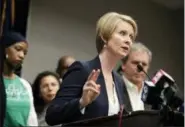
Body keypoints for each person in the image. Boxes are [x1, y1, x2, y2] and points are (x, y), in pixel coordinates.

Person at [46, 12, 138, 125]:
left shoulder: (118, 80)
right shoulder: (81, 69)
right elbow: (52, 115)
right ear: (104, 36)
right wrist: (82, 102)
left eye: (131, 36)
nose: (128, 40)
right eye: (122, 33)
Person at [1, 31, 38, 126]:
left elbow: (31, 119)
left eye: (24, 53)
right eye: (18, 49)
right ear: (4, 49)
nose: (21, 55)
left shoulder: (24, 84)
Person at [120, 42, 152, 111]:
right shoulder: (114, 87)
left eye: (144, 64)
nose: (140, 68)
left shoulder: (152, 92)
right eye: (135, 63)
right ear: (123, 65)